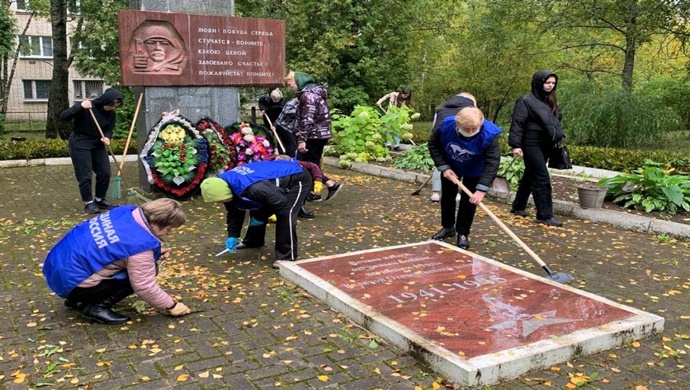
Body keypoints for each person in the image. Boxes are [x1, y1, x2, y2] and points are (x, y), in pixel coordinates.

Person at [42, 198, 192, 325]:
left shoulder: (124, 212)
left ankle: (75, 300)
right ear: (159, 222)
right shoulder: (139, 246)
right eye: (169, 229)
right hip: (76, 284)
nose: (169, 233)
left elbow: (113, 249)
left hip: (59, 271)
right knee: (146, 272)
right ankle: (96, 307)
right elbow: (144, 286)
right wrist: (171, 305)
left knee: (141, 265)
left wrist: (154, 254)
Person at [200, 157, 312, 268]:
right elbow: (235, 211)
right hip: (267, 187)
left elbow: (280, 201)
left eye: (220, 201)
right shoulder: (223, 184)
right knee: (256, 209)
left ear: (226, 193)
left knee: (286, 214)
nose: (220, 203)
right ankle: (253, 241)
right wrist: (233, 235)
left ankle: (286, 256)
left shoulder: (254, 189)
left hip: (298, 177)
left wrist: (263, 214)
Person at [428, 106, 502, 250]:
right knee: (448, 195)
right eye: (466, 129)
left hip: (475, 168)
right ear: (458, 124)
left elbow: (492, 163)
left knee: (469, 201)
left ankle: (463, 232)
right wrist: (444, 167)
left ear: (480, 124)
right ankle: (448, 227)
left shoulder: (489, 135)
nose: (470, 132)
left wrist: (481, 190)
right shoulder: (445, 126)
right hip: (451, 165)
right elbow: (433, 145)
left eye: (474, 129)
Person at [508, 70, 565, 227]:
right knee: (541, 177)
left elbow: (554, 121)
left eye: (553, 83)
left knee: (530, 174)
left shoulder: (550, 100)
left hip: (546, 143)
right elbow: (518, 123)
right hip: (530, 142)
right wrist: (516, 145)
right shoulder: (526, 100)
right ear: (539, 82)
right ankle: (545, 215)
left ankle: (518, 206)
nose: (550, 86)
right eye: (548, 83)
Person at [60, 88, 123, 214]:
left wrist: (107, 137)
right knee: (85, 174)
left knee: (105, 172)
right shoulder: (87, 107)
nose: (113, 108)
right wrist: (79, 106)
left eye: (116, 105)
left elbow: (110, 129)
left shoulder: (111, 114)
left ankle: (100, 199)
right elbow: (63, 116)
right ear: (105, 102)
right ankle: (89, 202)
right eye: (112, 105)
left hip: (98, 143)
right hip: (80, 142)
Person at [284, 71, 342, 202]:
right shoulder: (317, 93)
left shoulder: (308, 95)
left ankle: (328, 185)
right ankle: (315, 192)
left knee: (302, 164)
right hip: (321, 134)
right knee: (314, 163)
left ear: (298, 81)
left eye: (290, 83)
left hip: (312, 135)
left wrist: (301, 139)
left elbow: (307, 119)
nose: (290, 87)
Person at [428, 92, 477, 202]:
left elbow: (435, 128)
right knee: (456, 168)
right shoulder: (471, 110)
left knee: (441, 166)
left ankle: (435, 193)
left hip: (440, 141)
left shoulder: (441, 109)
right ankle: (455, 194)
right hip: (458, 142)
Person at [259, 88, 297, 157]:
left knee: (282, 138)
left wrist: (275, 125)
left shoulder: (283, 105)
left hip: (281, 123)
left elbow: (282, 117)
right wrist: (262, 108)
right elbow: (261, 101)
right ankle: (270, 153)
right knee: (269, 137)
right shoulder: (266, 99)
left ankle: (287, 155)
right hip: (268, 121)